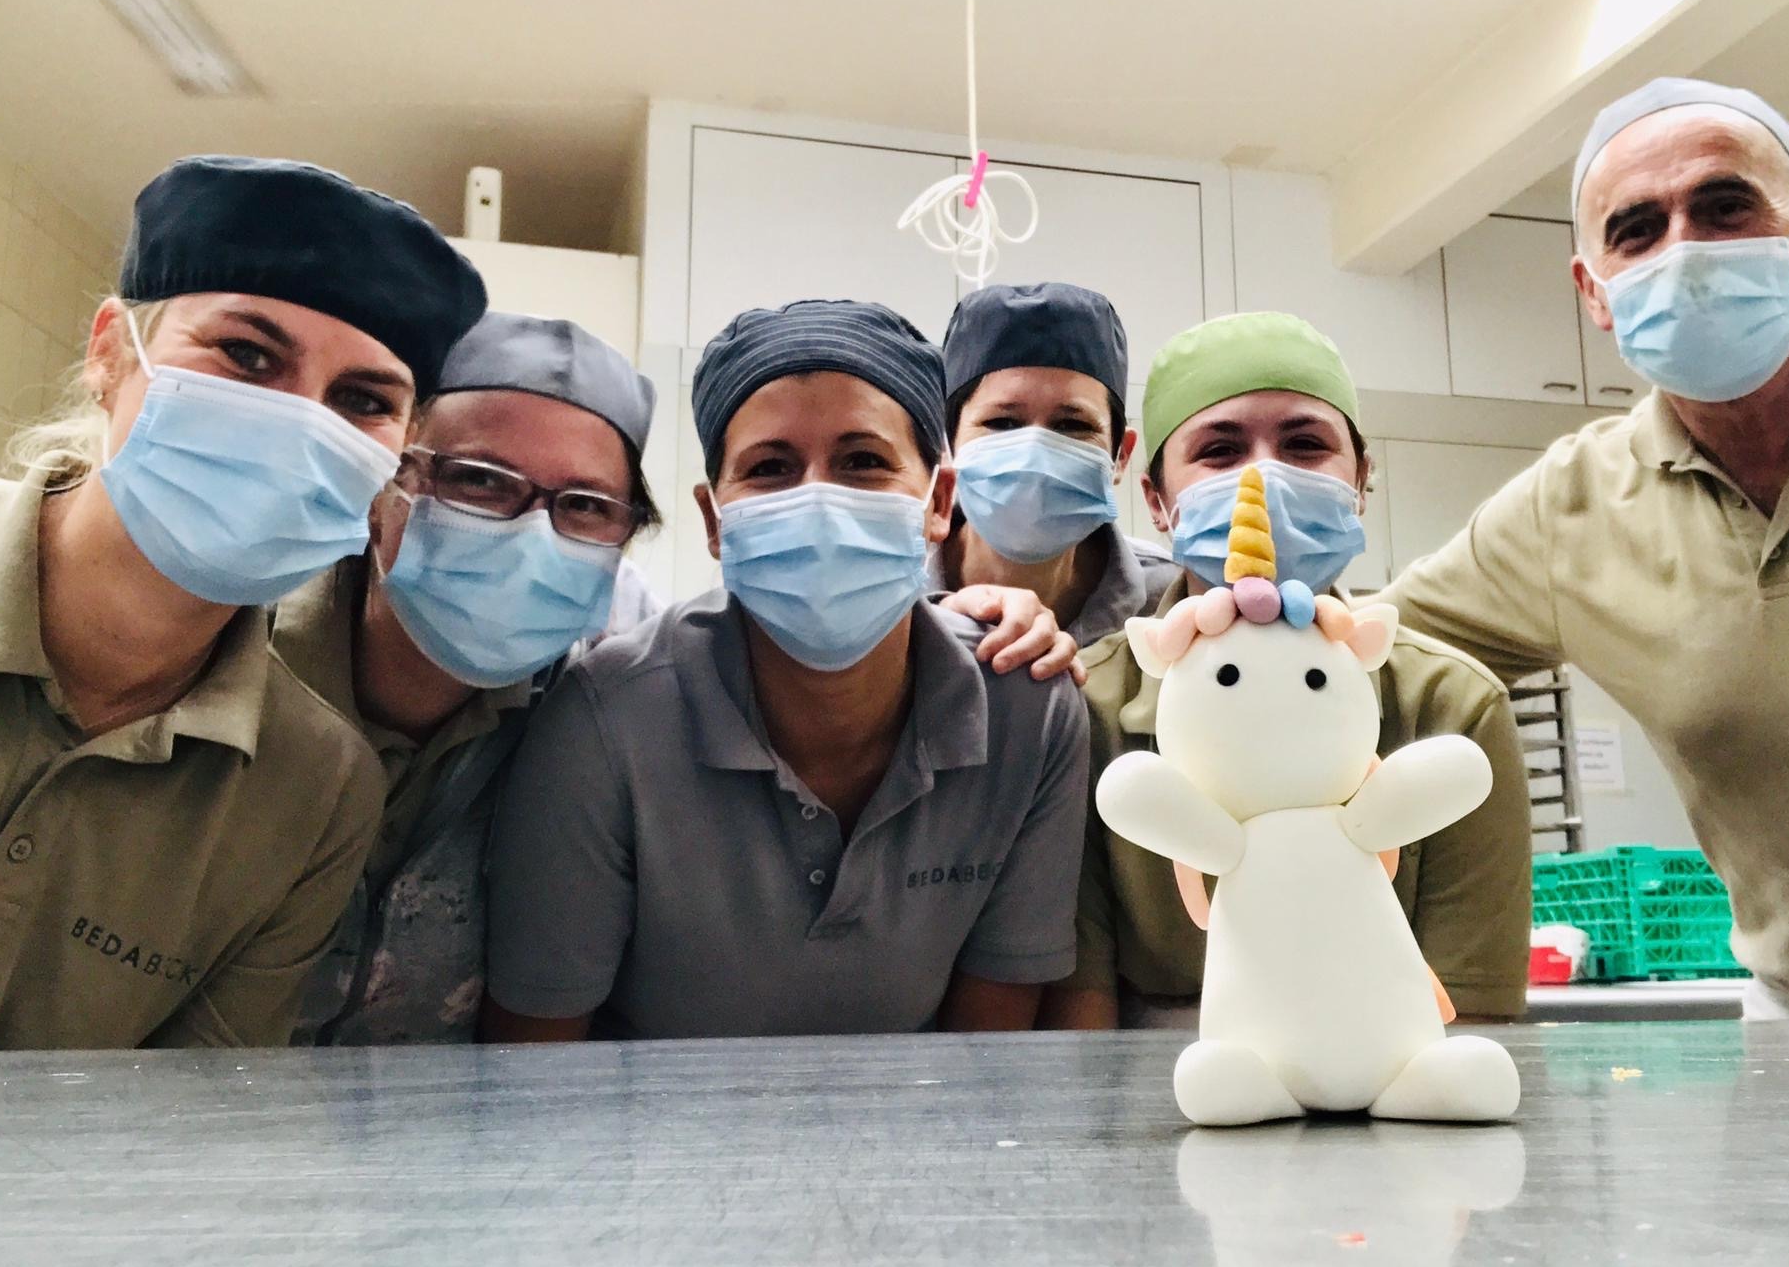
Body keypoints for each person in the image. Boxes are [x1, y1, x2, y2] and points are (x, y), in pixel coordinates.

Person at [1378, 76, 1789, 1019]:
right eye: (1637, 229)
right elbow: (1359, 661)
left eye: (1725, 207)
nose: (1684, 251)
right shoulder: (1569, 510)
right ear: (1594, 292)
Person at [480, 299, 1092, 1041]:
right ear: (714, 522)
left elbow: (987, 1052)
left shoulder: (1028, 708)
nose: (819, 500)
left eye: (863, 462)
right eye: (770, 468)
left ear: (939, 501)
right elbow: (537, 1062)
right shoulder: (608, 725)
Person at [0, 155, 485, 1048]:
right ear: (110, 351)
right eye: (246, 355)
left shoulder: (316, 792)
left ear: (399, 452)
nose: (297, 422)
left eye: (362, 399)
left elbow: (194, 1106)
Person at [1053, 312, 1533, 1030]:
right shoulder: (1088, 707)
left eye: (1305, 445)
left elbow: (1473, 1014)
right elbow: (1080, 1016)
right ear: (1157, 502)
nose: (1263, 477)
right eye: (1219, 451)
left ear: (1361, 481)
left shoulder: (1452, 706)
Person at [274, 312, 662, 1044]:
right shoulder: (237, 666)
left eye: (584, 506)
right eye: (479, 481)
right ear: (384, 486)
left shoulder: (597, 727)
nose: (531, 535)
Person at [935, 283, 1178, 645]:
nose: (1034, 452)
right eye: (1002, 422)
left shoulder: (1171, 602)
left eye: (1072, 425)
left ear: (1120, 456)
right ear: (947, 444)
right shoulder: (891, 596)